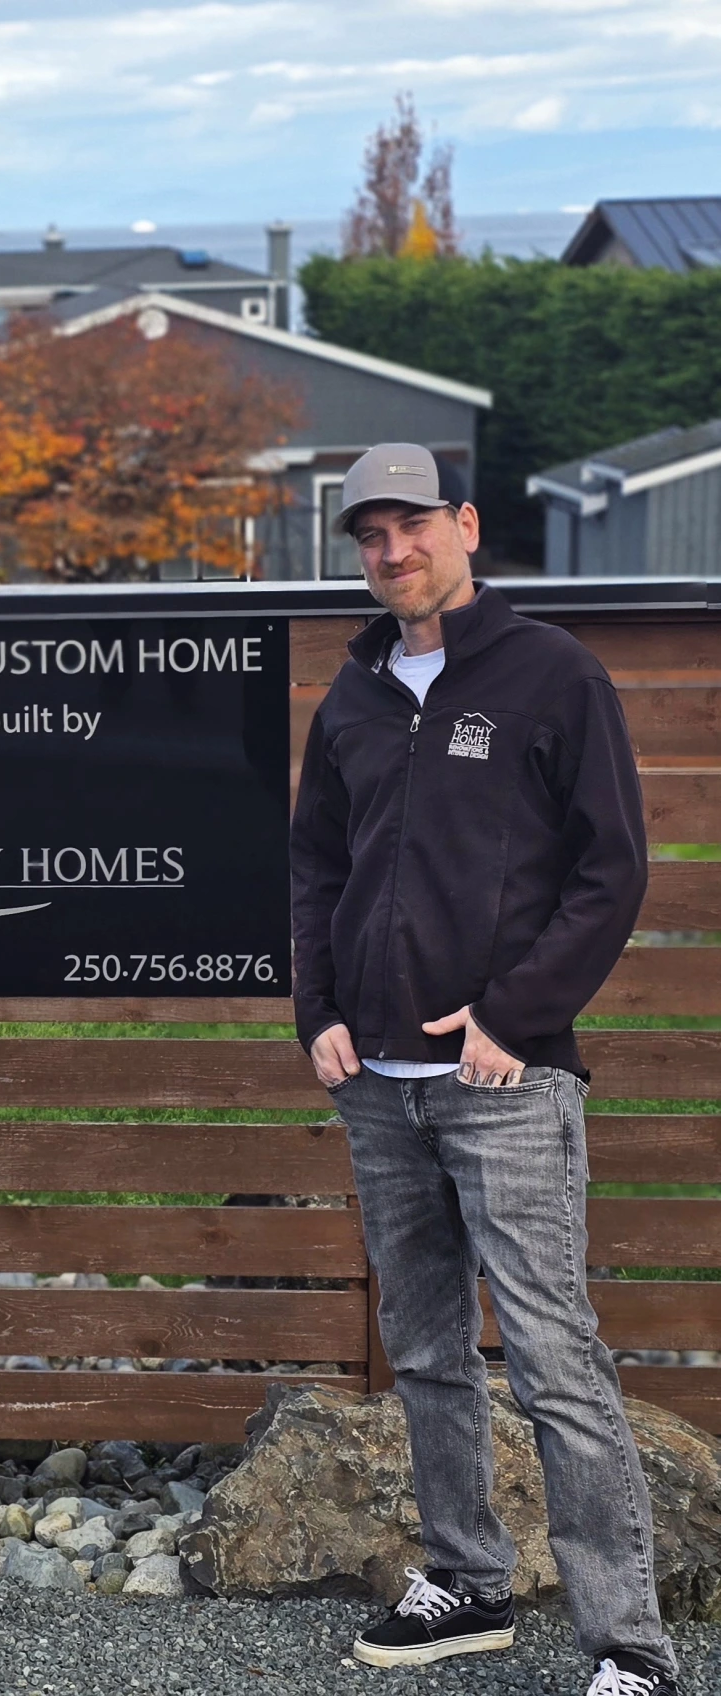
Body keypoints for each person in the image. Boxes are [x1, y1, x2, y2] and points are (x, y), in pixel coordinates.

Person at [290, 443, 675, 1696]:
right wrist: (319, 1011)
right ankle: (465, 1579)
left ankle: (630, 1648)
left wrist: (514, 1016)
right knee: (426, 1344)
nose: (389, 552)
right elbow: (316, 874)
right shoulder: (350, 698)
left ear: (463, 525)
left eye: (410, 526)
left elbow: (609, 869)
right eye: (368, 535)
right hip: (379, 1084)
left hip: (504, 1084)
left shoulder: (549, 675)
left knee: (554, 1356)